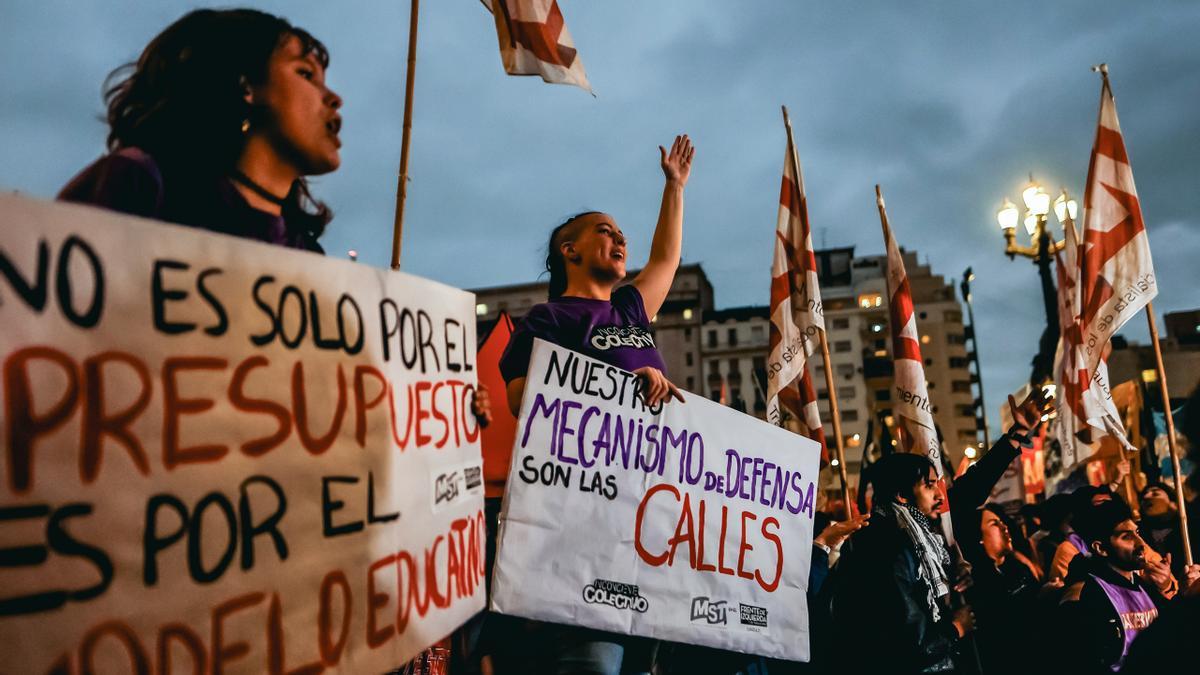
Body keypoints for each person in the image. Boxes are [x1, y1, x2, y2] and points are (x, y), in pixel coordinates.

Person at [492, 135, 695, 675]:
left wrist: (674, 187)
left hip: (650, 530)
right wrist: (626, 386)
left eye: (621, 232)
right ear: (571, 250)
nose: (619, 237)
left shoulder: (631, 308)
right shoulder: (548, 320)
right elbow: (522, 402)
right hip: (585, 535)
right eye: (605, 231)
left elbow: (667, 258)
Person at [59, 8, 341, 250]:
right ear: (246, 86)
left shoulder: (305, 252)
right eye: (305, 73)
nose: (334, 99)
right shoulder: (140, 185)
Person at [831, 453, 974, 674]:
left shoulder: (917, 540)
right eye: (929, 486)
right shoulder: (890, 546)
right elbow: (910, 638)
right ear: (901, 495)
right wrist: (956, 629)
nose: (940, 496)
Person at [1058, 498, 1200, 672]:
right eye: (1126, 536)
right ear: (1101, 548)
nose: (1140, 543)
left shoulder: (1143, 586)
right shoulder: (1085, 596)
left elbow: (1169, 635)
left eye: (1137, 532)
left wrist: (1183, 595)